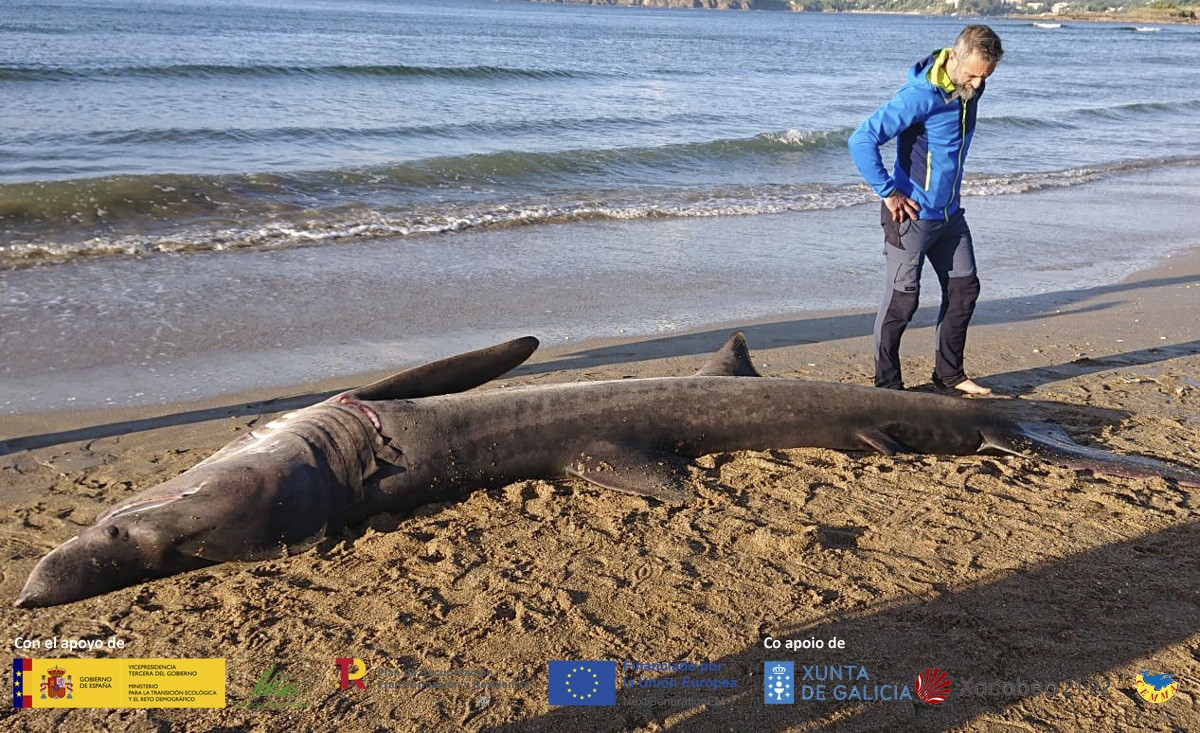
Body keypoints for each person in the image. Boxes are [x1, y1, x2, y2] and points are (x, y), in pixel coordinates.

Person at [848, 25, 1003, 395]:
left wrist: (972, 84)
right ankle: (888, 387)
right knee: (902, 302)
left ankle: (949, 376)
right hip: (911, 218)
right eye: (973, 75)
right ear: (953, 57)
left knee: (965, 291)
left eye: (986, 77)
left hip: (949, 218)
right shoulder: (920, 96)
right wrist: (888, 191)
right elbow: (861, 139)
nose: (979, 85)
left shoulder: (967, 91)